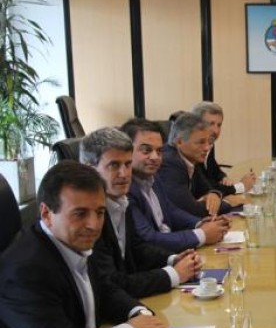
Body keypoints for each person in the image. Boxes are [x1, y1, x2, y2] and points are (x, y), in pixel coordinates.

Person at [0, 161, 170, 328]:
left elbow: (105, 289)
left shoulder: (71, 239)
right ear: (46, 214)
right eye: (80, 214)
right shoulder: (23, 269)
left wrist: (139, 314)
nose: (93, 225)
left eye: (99, 212)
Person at [81, 127, 203, 298]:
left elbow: (137, 248)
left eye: (127, 164)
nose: (124, 174)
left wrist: (173, 259)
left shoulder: (121, 201)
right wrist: (174, 274)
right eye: (114, 165)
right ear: (90, 169)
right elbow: (111, 283)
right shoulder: (88, 219)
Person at [122, 119, 230, 253]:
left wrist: (200, 223)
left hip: (171, 251)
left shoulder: (152, 176)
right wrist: (202, 234)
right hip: (158, 256)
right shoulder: (125, 189)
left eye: (159, 151)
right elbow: (148, 238)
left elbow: (169, 209)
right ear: (125, 151)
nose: (155, 157)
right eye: (146, 150)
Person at [157, 112, 232, 218]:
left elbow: (207, 189)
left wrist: (214, 194)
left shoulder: (190, 157)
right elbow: (193, 211)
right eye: (201, 142)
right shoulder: (170, 163)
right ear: (179, 142)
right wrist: (228, 203)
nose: (207, 148)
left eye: (208, 142)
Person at [192, 101, 256, 197]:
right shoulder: (193, 150)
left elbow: (214, 170)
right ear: (196, 124)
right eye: (211, 124)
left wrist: (223, 177)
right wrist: (241, 186)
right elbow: (207, 189)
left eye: (219, 125)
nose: (216, 130)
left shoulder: (208, 143)